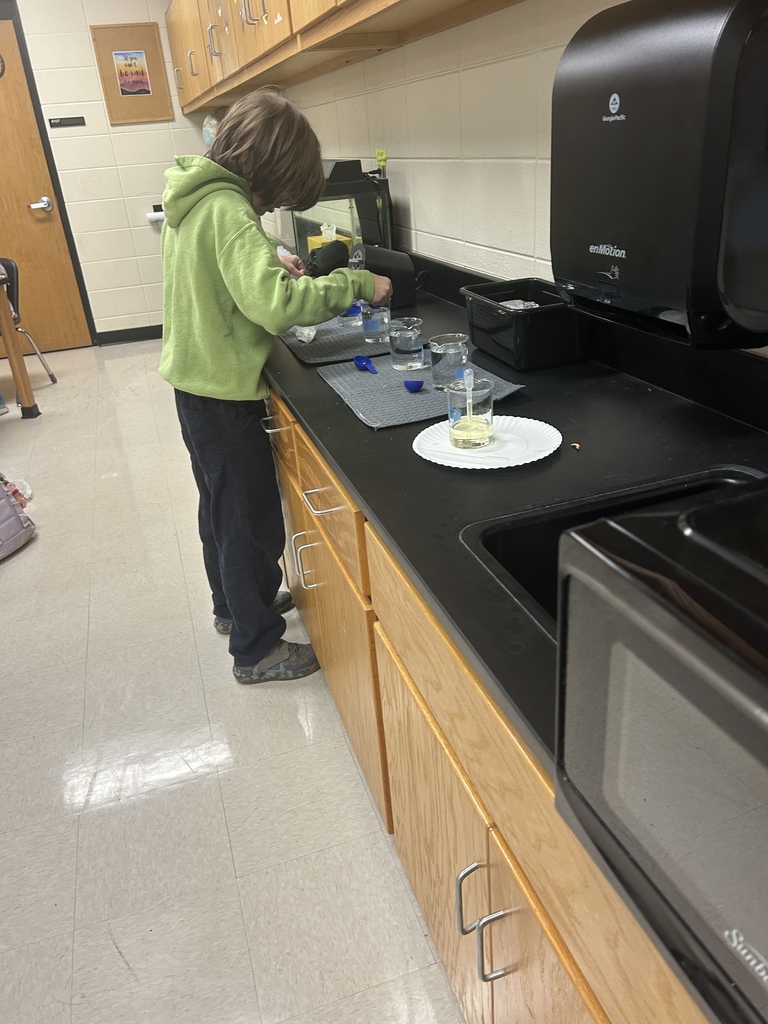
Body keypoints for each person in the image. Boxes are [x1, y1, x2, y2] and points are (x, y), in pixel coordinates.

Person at [160, 88, 392, 685]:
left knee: (219, 511)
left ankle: (234, 608)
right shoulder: (231, 209)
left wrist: (268, 257)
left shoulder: (196, 199)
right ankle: (256, 649)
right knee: (250, 521)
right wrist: (355, 283)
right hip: (225, 392)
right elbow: (276, 307)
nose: (266, 212)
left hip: (195, 387)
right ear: (269, 174)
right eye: (273, 201)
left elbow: (225, 274)